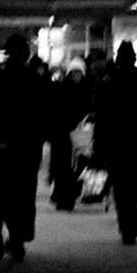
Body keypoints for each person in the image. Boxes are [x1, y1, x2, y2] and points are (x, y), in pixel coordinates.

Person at [0, 34, 47, 263]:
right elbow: (43, 111)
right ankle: (18, 237)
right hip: (28, 145)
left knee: (3, 193)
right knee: (23, 193)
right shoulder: (34, 78)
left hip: (3, 146)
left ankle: (10, 235)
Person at [91, 42, 137, 245]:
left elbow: (101, 118)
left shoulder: (107, 83)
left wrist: (99, 146)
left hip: (115, 142)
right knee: (135, 182)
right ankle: (132, 220)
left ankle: (126, 224)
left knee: (120, 186)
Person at [48, 59, 91, 212]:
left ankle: (69, 197)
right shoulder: (63, 89)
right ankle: (62, 198)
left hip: (78, 134)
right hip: (63, 135)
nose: (77, 76)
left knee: (75, 167)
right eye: (74, 73)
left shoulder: (85, 90)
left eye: (79, 73)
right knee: (63, 167)